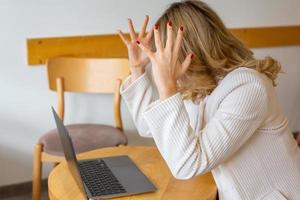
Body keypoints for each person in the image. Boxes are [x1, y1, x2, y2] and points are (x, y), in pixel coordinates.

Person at [117, 1, 300, 199]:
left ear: (189, 52)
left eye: (166, 55)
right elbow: (150, 127)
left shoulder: (248, 88)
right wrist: (137, 69)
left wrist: (167, 87)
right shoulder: (201, 86)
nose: (162, 63)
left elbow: (188, 165)